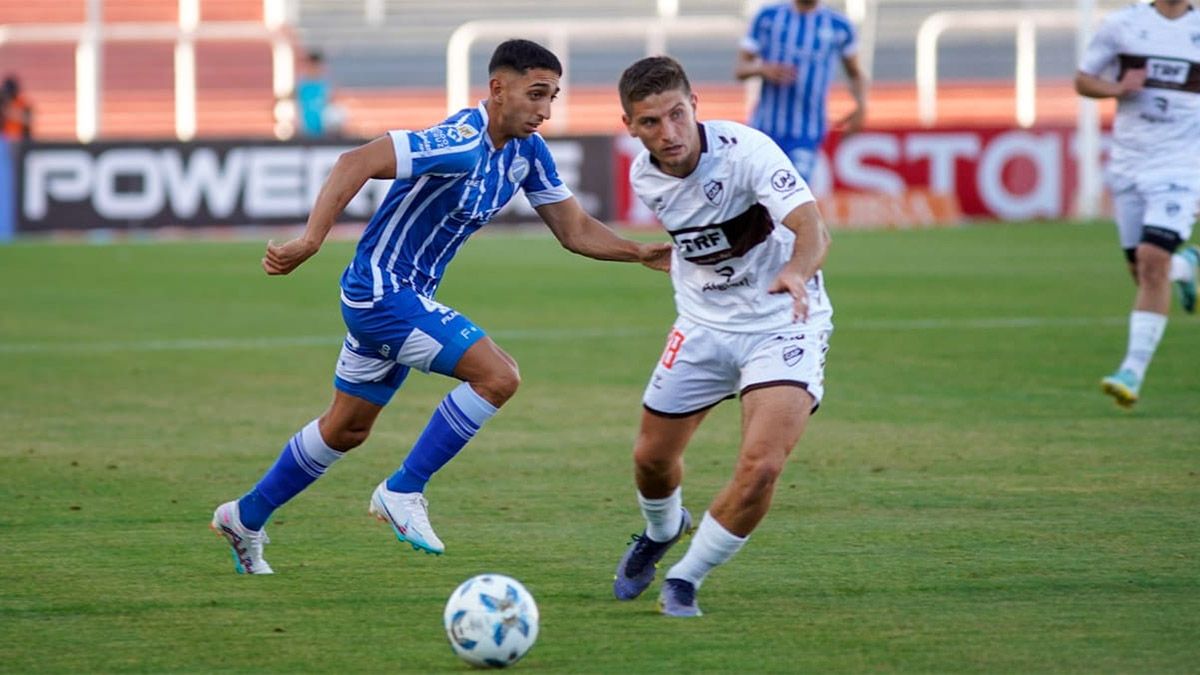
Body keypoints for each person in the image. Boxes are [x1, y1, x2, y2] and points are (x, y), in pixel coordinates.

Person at [211, 39, 672, 574]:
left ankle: (244, 516)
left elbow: (573, 229)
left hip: (403, 298)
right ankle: (403, 490)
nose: (545, 110)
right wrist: (311, 240)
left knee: (346, 429)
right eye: (536, 94)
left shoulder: (526, 153)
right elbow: (354, 161)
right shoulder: (458, 141)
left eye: (553, 97)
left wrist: (640, 252)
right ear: (498, 89)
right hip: (382, 293)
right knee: (498, 377)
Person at [611, 56, 832, 617]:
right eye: (651, 123)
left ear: (695, 107)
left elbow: (811, 226)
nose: (669, 133)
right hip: (703, 326)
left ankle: (687, 577)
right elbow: (702, 236)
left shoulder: (748, 152)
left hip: (783, 323)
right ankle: (661, 531)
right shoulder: (645, 176)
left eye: (677, 115)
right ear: (630, 126)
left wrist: (796, 272)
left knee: (762, 466)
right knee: (650, 460)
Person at [1075, 0, 1200, 408]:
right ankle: (1187, 266)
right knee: (1143, 270)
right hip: (1129, 164)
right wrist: (1117, 89)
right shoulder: (1122, 25)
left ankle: (1131, 371)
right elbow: (1083, 80)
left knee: (1150, 260)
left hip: (1181, 167)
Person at [735, 0, 867, 183]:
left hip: (807, 132)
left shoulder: (839, 26)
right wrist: (763, 69)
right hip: (765, 130)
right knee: (758, 196)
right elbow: (741, 69)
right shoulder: (768, 18)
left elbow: (855, 74)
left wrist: (861, 107)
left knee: (793, 192)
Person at [0, 75, 34, 141]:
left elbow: (28, 119)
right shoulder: (2, 102)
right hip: (5, 139)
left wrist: (9, 112)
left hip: (20, 138)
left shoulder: (23, 104)